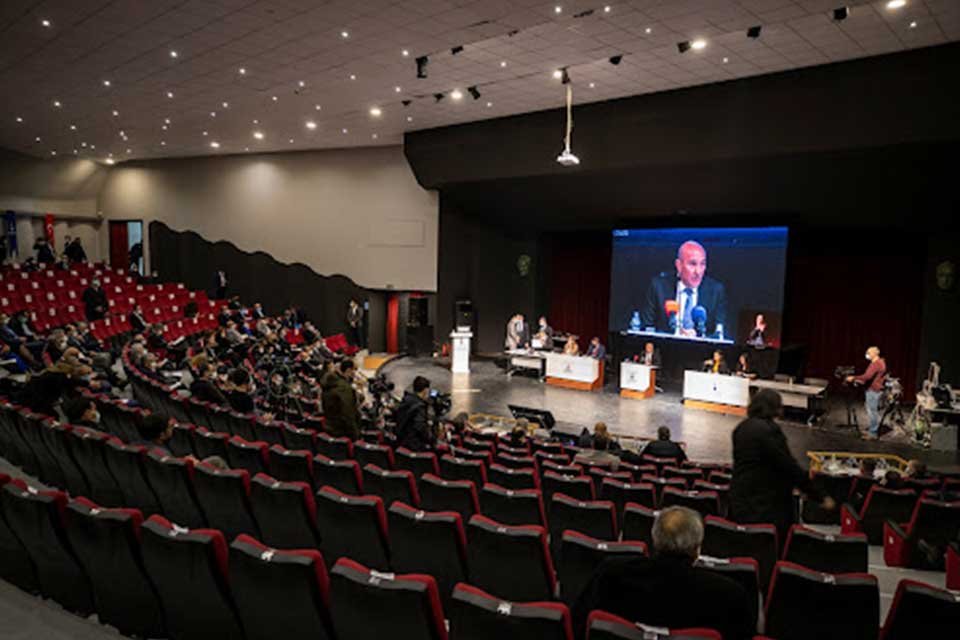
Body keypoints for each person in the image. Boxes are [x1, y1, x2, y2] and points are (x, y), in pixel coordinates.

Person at [572, 506, 754, 640]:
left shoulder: (610, 573)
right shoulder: (729, 596)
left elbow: (578, 623)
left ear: (654, 539)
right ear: (697, 548)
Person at [729, 389, 835, 547]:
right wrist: (817, 495)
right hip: (764, 507)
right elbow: (788, 466)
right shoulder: (770, 431)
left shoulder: (741, 428)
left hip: (739, 500)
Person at [640, 240, 728, 338]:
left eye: (702, 264)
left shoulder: (715, 291)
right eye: (692, 264)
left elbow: (719, 334)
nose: (698, 272)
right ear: (679, 265)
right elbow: (646, 328)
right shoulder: (658, 287)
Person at [845, 346, 887, 440]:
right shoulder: (880, 362)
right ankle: (872, 430)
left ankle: (873, 433)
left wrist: (854, 378)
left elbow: (867, 376)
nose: (867, 355)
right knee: (871, 410)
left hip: (873, 390)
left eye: (868, 353)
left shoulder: (876, 364)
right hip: (875, 389)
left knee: (872, 411)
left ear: (874, 353)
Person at [321, 359, 361, 440]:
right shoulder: (344, 389)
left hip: (329, 425)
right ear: (349, 370)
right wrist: (356, 435)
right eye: (355, 370)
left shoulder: (330, 382)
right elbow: (348, 414)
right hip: (341, 431)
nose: (355, 373)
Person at [395, 376, 435, 451]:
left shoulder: (405, 400)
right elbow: (420, 427)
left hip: (401, 443)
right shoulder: (419, 406)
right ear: (425, 390)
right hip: (414, 446)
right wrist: (432, 440)